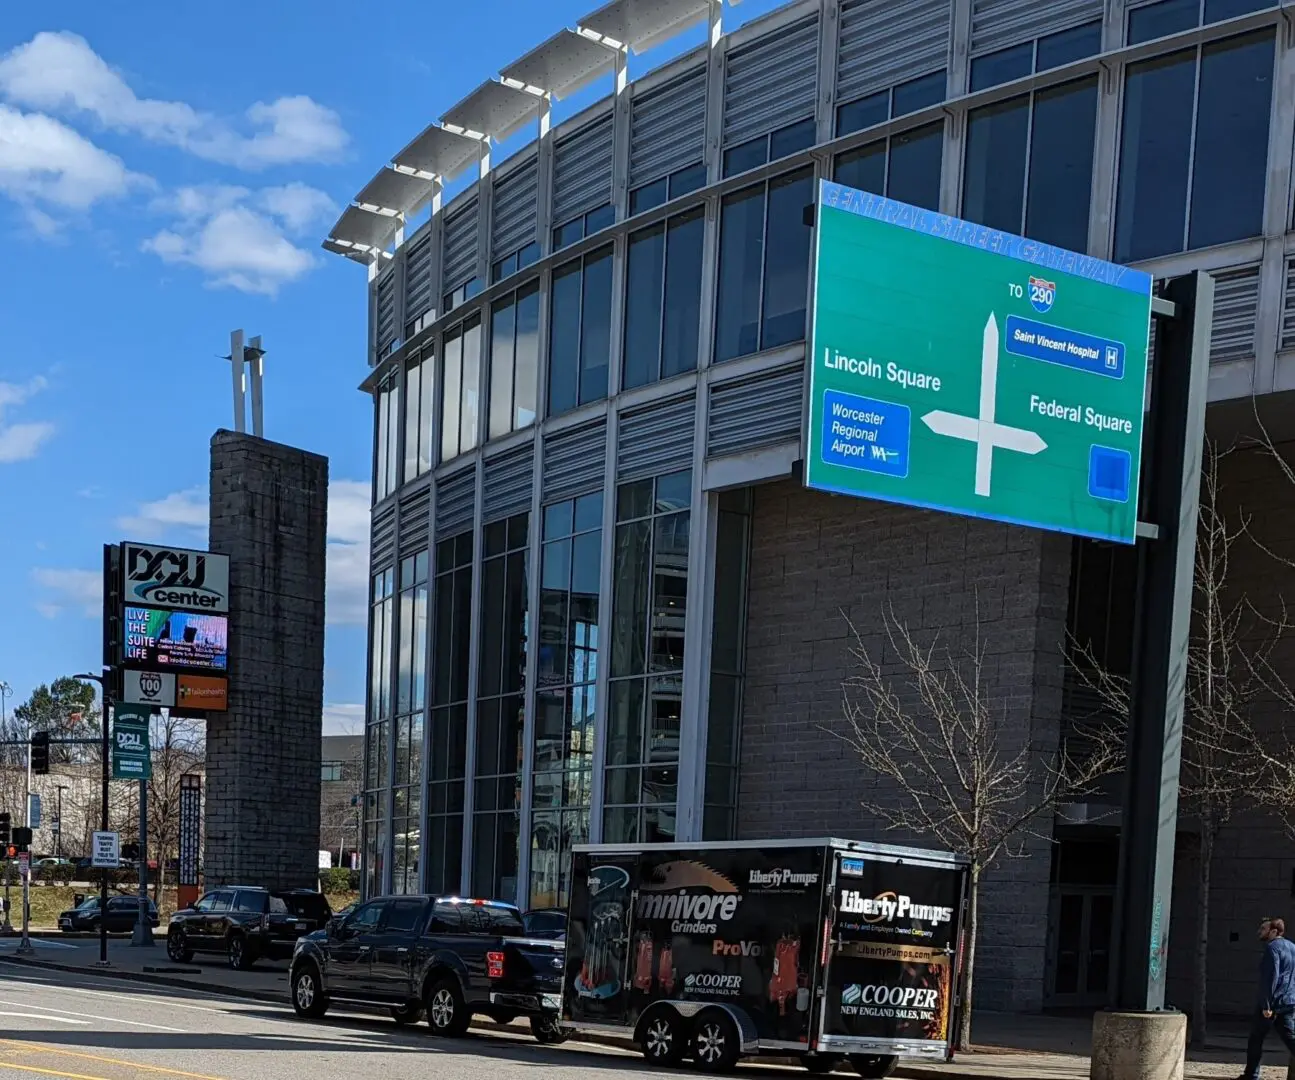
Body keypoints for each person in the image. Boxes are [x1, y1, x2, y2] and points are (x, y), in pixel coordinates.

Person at [1239, 917, 1295, 1080]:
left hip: (1272, 1004)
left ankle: (1251, 1075)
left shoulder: (1272, 949)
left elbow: (1270, 978)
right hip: (1289, 1001)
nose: (1260, 931)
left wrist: (1266, 1005)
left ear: (1274, 931)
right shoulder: (1292, 947)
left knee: (1256, 1039)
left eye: (1263, 928)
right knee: (1291, 1038)